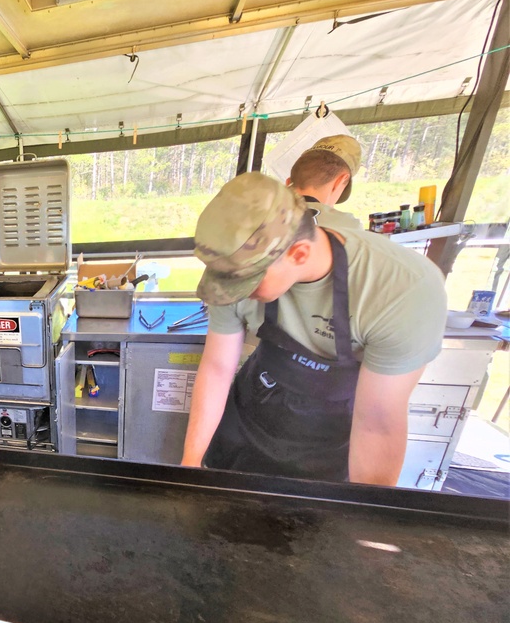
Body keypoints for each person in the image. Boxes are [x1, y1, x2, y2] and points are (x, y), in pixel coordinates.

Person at [181, 172, 446, 486]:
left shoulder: (403, 290)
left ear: (299, 254)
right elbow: (217, 368)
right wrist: (190, 465)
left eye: (246, 283)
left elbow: (377, 421)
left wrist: (368, 515)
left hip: (330, 442)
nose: (233, 293)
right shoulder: (235, 264)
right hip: (250, 420)